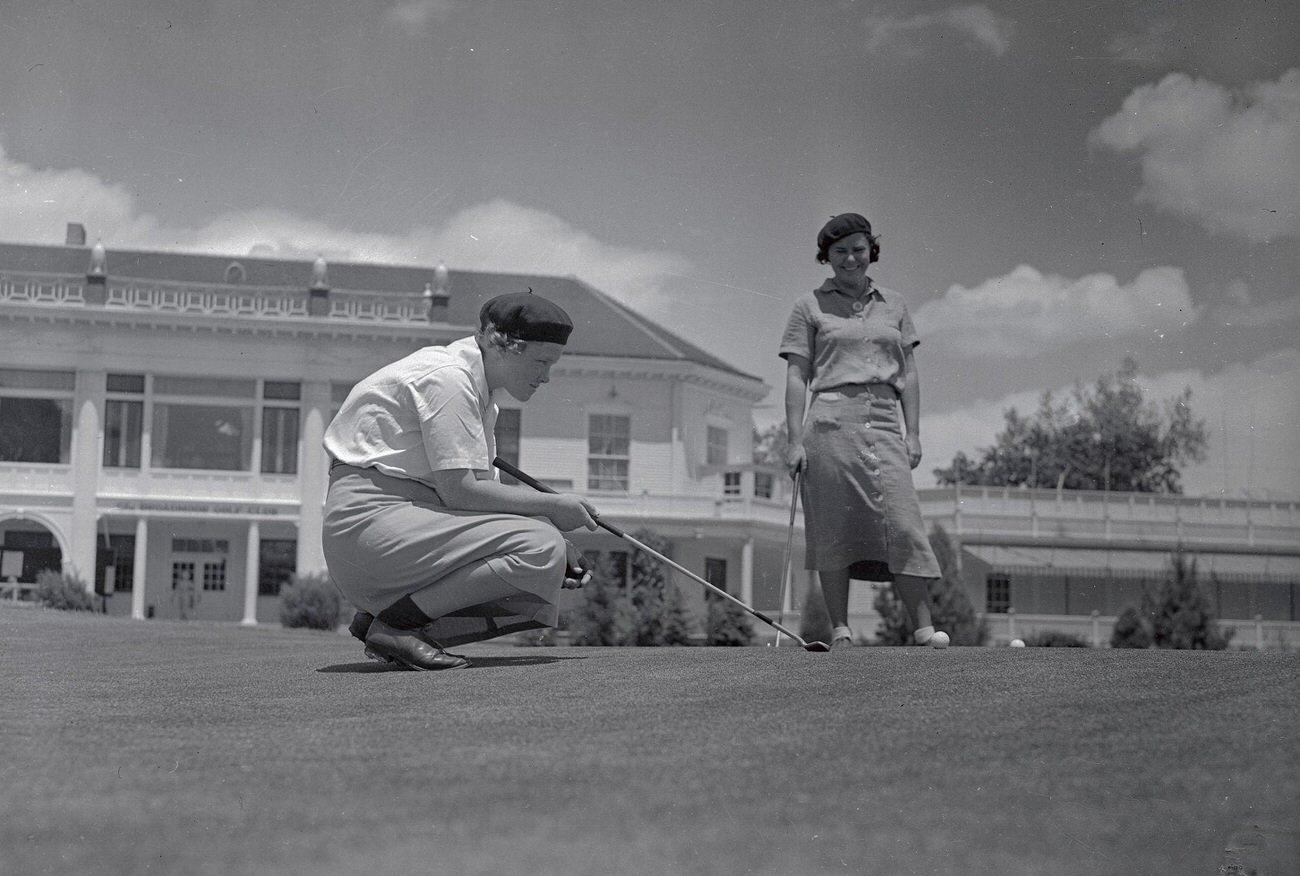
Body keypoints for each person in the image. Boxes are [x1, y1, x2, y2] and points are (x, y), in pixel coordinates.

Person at [322, 291, 598, 670]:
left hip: (387, 532)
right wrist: (553, 508)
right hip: (370, 526)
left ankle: (385, 615)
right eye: (541, 361)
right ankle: (397, 624)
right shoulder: (449, 379)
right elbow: (460, 492)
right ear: (504, 346)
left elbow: (483, 503)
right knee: (539, 548)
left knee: (545, 548)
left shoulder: (478, 394)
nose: (546, 376)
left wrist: (560, 540)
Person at [779, 213, 945, 649]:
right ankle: (841, 630)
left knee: (904, 524)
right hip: (830, 422)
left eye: (857, 248)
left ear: (871, 250)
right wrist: (794, 440)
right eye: (839, 251)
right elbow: (797, 376)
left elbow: (908, 371)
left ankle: (925, 630)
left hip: (887, 420)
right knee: (833, 526)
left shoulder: (896, 304)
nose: (850, 258)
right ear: (826, 257)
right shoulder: (807, 306)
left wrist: (914, 432)